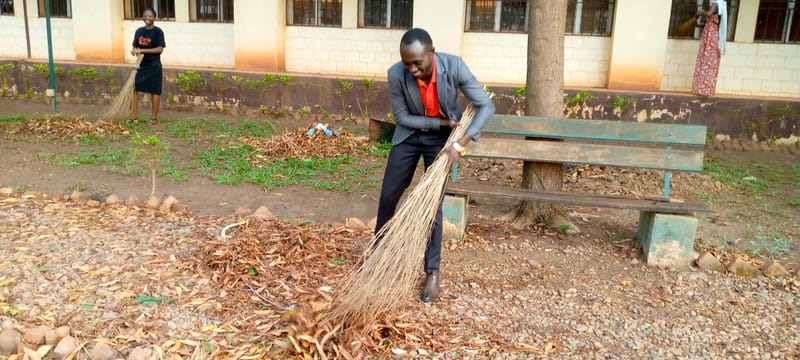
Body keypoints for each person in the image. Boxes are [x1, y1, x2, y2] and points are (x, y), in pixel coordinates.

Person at [376, 28, 495, 302]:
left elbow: (485, 105)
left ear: (432, 52)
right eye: (408, 63)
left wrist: (459, 143)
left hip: (443, 143)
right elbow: (402, 117)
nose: (413, 69)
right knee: (388, 195)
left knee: (432, 205)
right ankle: (378, 255)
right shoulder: (396, 73)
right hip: (409, 136)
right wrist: (439, 122)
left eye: (418, 62)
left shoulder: (454, 66)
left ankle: (432, 273)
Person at [130, 7, 166, 124]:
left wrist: (143, 51)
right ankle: (133, 117)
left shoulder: (158, 32)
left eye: (150, 16)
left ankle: (154, 118)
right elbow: (135, 47)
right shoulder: (139, 31)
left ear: (154, 18)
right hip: (141, 65)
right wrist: (134, 51)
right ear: (142, 17)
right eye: (145, 16)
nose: (147, 18)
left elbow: (160, 49)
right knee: (134, 88)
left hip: (154, 65)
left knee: (155, 91)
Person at [691, 0, 727, 96]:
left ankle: (704, 89)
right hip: (710, 34)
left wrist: (701, 11)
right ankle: (704, 89)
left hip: (711, 37)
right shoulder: (719, 5)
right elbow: (710, 21)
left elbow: (708, 14)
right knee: (707, 61)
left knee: (707, 61)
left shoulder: (716, 4)